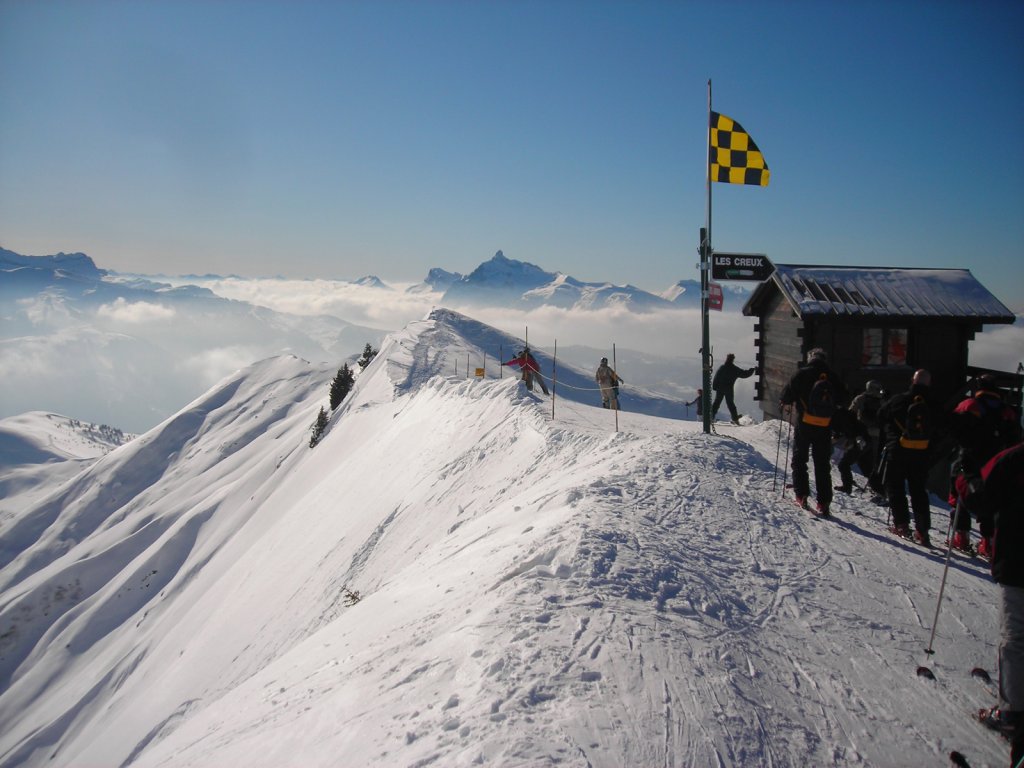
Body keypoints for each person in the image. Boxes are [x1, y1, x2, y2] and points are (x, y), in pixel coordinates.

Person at [970, 441, 1024, 767]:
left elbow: (980, 498)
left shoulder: (1013, 458)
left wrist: (965, 480)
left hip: (1019, 563)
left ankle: (1014, 713)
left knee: (1016, 639)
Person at [948, 375, 1021, 556]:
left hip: (969, 457)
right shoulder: (1007, 412)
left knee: (960, 493)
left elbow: (954, 426)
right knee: (991, 496)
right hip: (996, 462)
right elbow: (1016, 438)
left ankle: (961, 536)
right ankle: (987, 541)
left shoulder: (971, 405)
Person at [780, 348, 849, 516]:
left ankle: (801, 495)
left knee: (799, 459)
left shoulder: (801, 374)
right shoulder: (832, 377)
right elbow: (844, 399)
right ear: (824, 359)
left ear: (809, 358)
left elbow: (786, 396)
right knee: (822, 463)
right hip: (825, 426)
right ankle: (824, 502)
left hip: (804, 423)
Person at [878, 369, 941, 546]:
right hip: (922, 453)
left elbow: (881, 417)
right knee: (919, 490)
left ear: (912, 381)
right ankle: (922, 531)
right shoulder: (934, 405)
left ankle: (902, 525)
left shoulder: (899, 400)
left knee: (895, 487)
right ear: (929, 383)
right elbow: (943, 425)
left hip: (897, 450)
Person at [844, 380, 886, 496]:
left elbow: (850, 413)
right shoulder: (882, 402)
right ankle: (878, 488)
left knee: (857, 461)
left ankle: (878, 490)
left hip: (862, 434)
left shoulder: (860, 399)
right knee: (873, 462)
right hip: (877, 436)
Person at [711, 353, 755, 425]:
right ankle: (735, 419)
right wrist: (752, 370)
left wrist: (714, 387)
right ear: (733, 360)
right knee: (730, 404)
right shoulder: (734, 369)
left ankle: (711, 417)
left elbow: (716, 377)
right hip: (728, 389)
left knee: (716, 403)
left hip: (720, 388)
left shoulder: (722, 367)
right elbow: (744, 374)